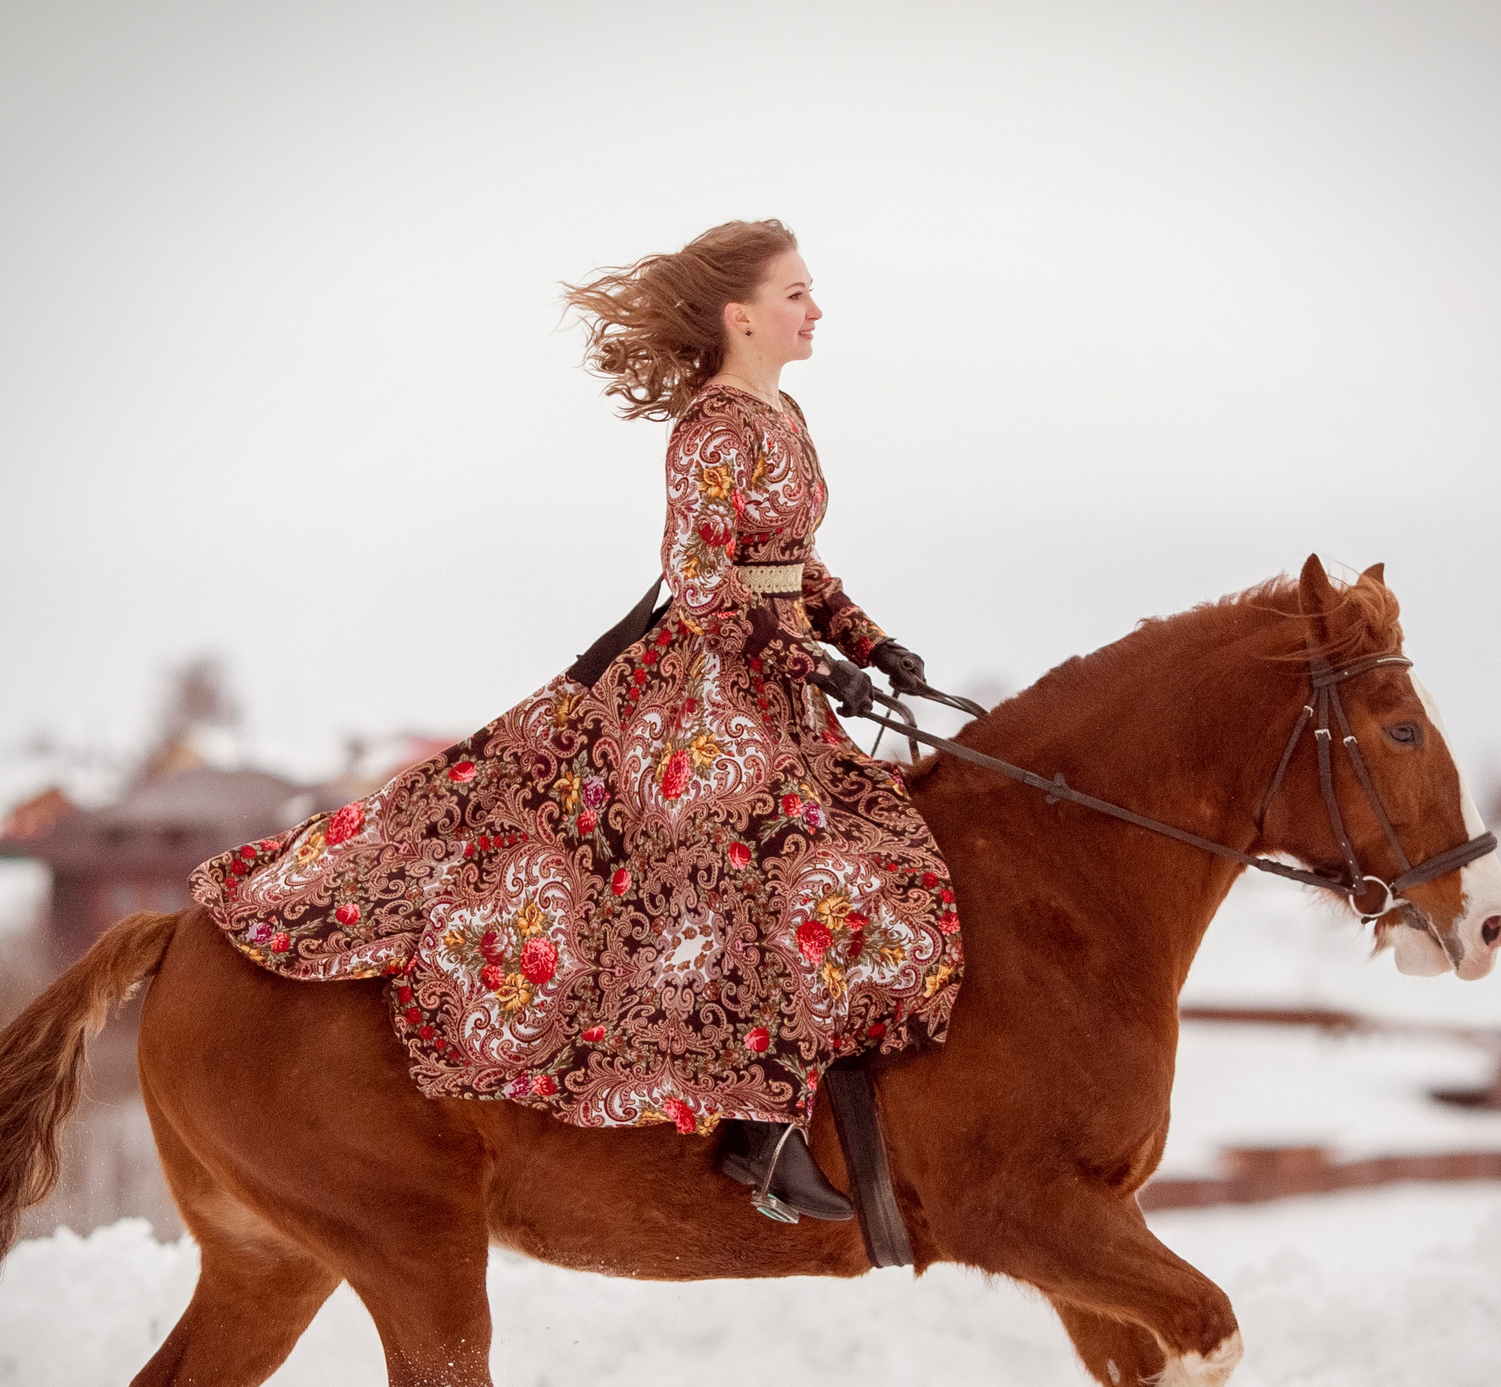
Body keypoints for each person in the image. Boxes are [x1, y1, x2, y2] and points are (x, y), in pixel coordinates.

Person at [190, 219, 961, 1221]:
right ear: (741, 316)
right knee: (769, 856)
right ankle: (755, 1130)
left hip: (771, 679)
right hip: (702, 695)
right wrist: (795, 651)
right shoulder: (713, 426)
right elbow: (696, 576)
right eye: (797, 293)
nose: (816, 310)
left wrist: (867, 643)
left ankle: (824, 1097)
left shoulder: (784, 412)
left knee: (874, 842)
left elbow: (794, 561)